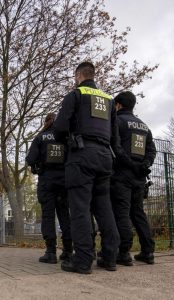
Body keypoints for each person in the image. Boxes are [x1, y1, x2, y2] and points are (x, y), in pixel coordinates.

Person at [53, 62, 120, 274]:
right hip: (104, 156)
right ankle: (109, 258)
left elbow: (60, 127)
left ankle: (82, 260)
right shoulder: (109, 100)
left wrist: (68, 140)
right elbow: (115, 137)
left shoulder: (76, 94)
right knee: (104, 207)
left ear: (78, 75)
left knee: (80, 209)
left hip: (81, 155)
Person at [111, 91, 156, 265]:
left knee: (121, 213)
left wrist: (130, 163)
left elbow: (115, 147)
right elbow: (152, 150)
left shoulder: (118, 121)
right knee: (138, 213)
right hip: (140, 177)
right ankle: (148, 251)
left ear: (119, 105)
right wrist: (145, 164)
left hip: (122, 174)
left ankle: (123, 252)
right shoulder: (145, 126)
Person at [26, 113, 72, 264]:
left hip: (47, 181)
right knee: (65, 216)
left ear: (46, 122)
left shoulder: (41, 137)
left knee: (48, 216)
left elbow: (30, 159)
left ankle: (51, 252)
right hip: (64, 181)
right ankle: (67, 251)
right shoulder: (66, 137)